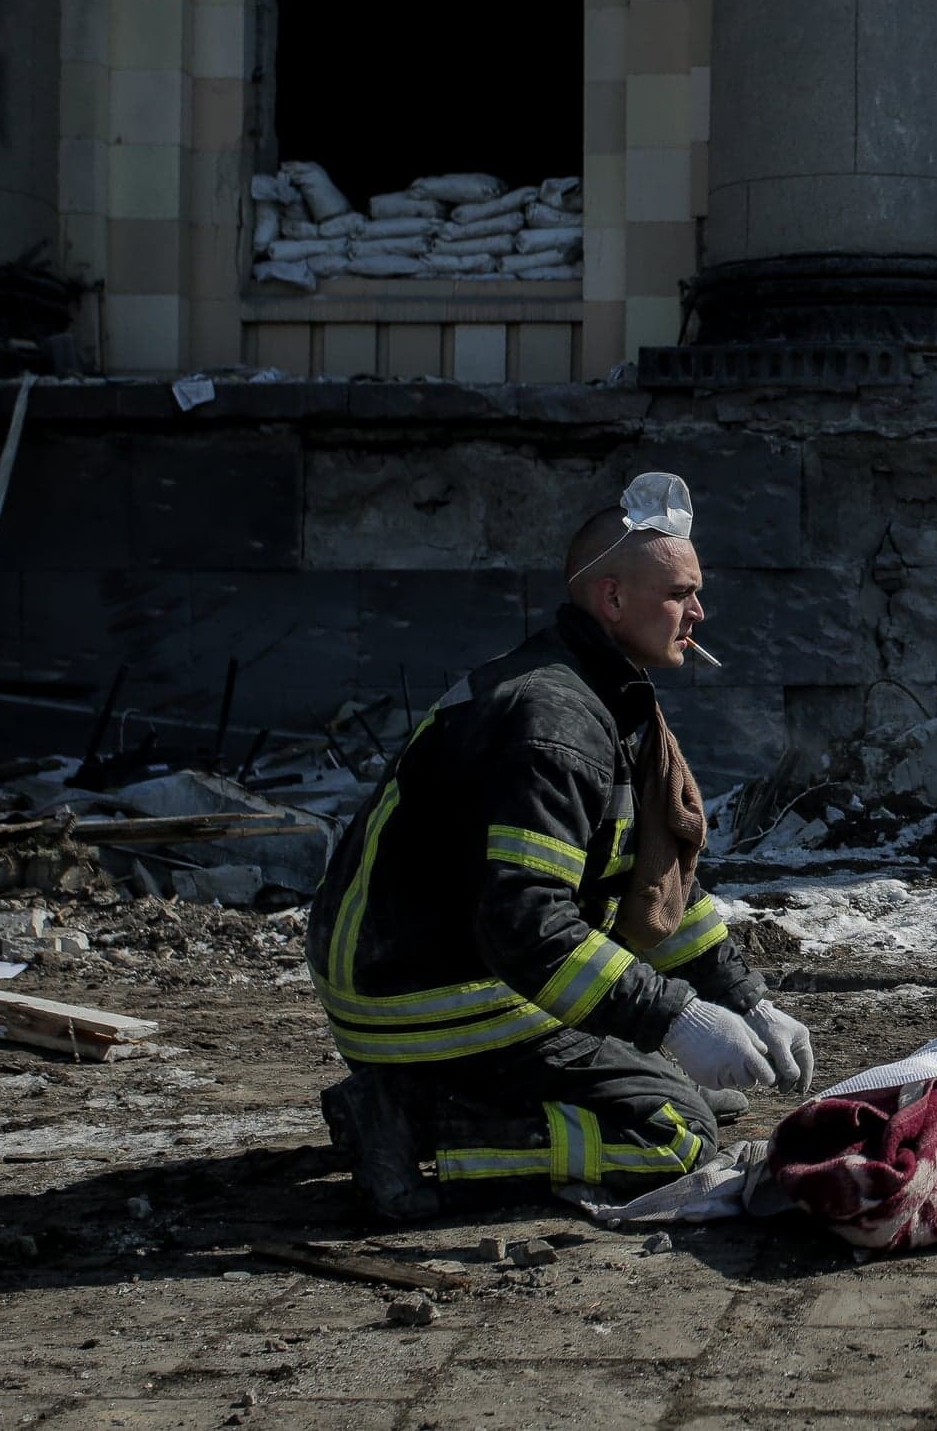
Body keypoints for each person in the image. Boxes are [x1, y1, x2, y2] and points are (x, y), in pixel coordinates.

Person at [307, 475, 816, 1219]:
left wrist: (746, 1000)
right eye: (679, 593)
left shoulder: (601, 693)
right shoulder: (558, 720)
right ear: (612, 599)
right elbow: (527, 922)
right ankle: (413, 1123)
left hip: (437, 957)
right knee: (672, 1133)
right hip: (418, 989)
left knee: (665, 1080)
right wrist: (674, 1020)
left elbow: (646, 882)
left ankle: (437, 1098)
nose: (699, 613)